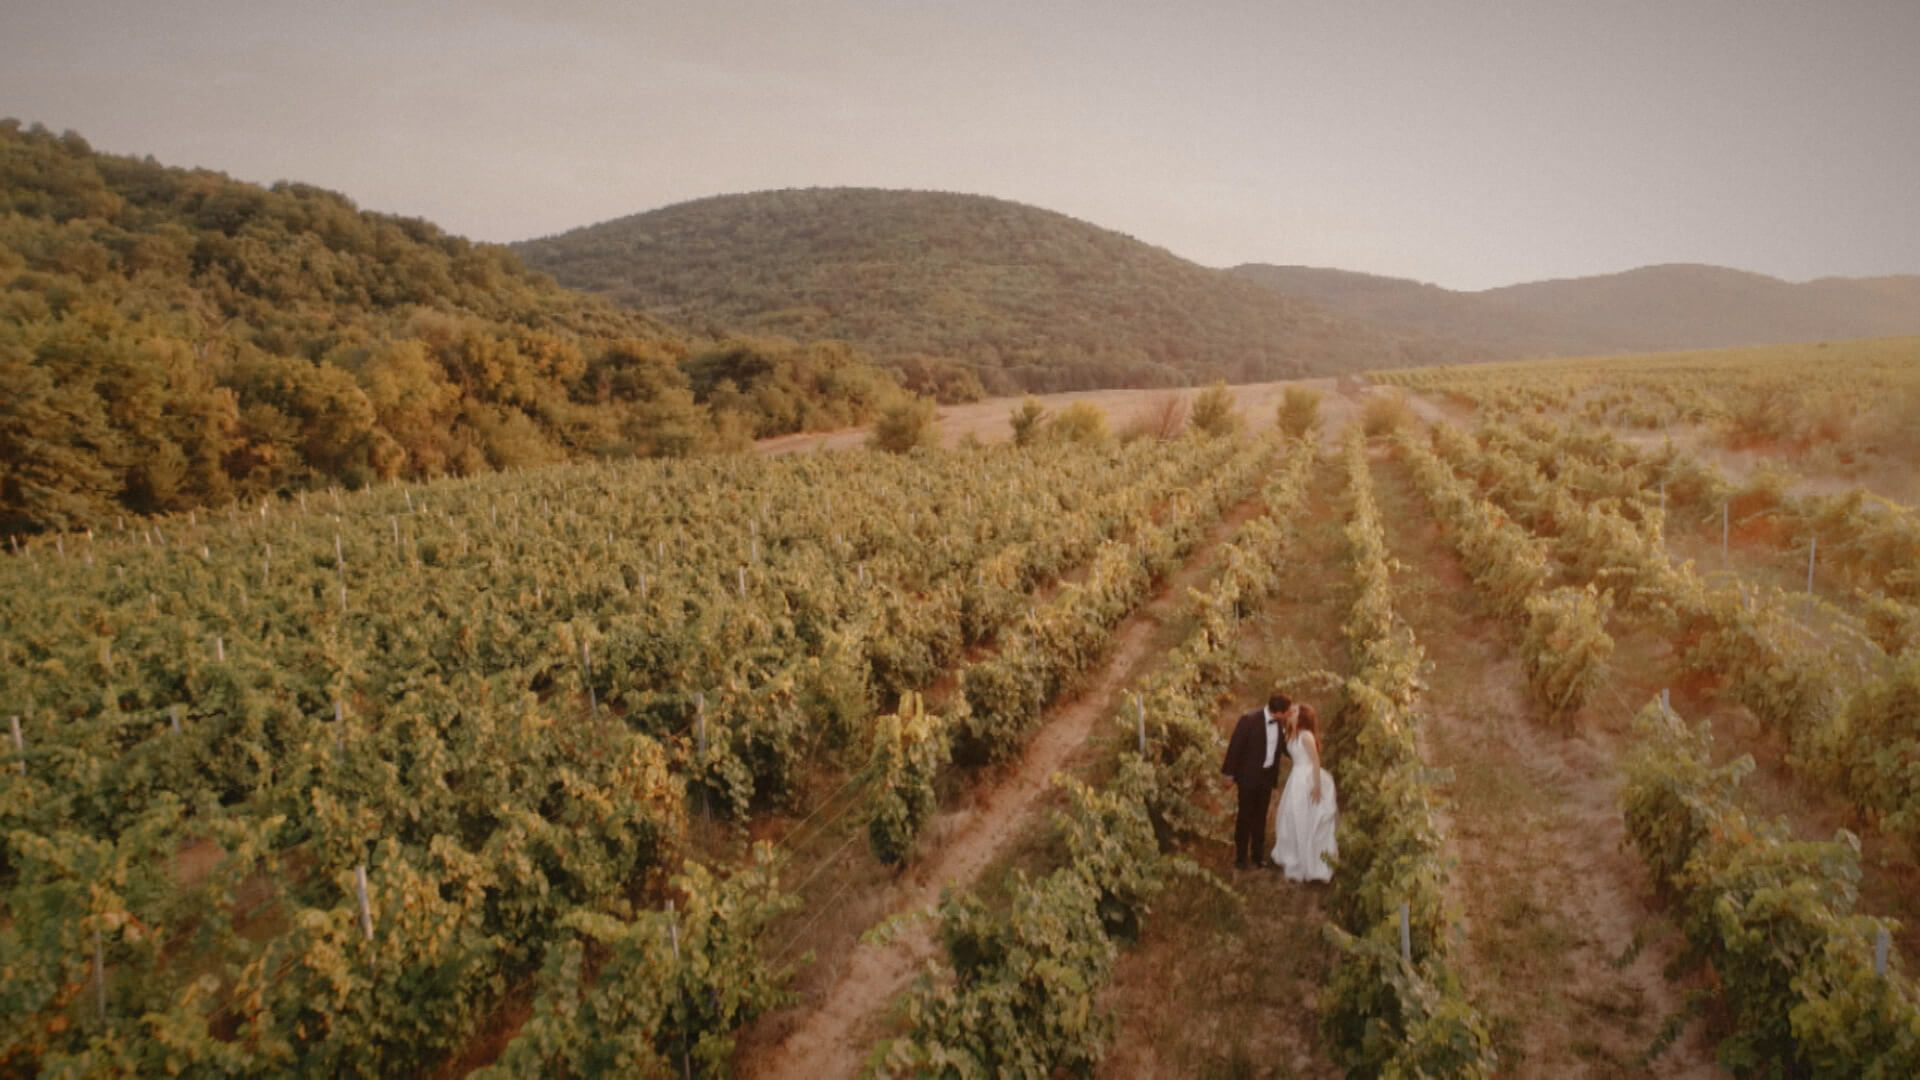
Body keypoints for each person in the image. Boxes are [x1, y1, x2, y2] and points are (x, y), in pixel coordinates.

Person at [1221, 692, 1295, 869]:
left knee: (1261, 818)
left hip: (1266, 778)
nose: (1289, 714)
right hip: (1248, 777)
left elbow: (1284, 746)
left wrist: (1301, 756)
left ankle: (1257, 856)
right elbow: (1235, 747)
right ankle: (1240, 858)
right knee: (1244, 817)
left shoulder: (1280, 724)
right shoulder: (1248, 720)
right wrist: (1228, 774)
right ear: (1278, 712)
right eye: (1287, 712)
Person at [1272, 702, 1338, 882]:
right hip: (1296, 777)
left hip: (1306, 777)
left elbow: (1316, 760)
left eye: (1293, 712)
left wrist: (1316, 786)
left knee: (1305, 814)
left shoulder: (1306, 736)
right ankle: (1293, 852)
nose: (1290, 713)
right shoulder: (1293, 734)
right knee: (1291, 814)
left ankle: (1310, 859)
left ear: (1301, 716)